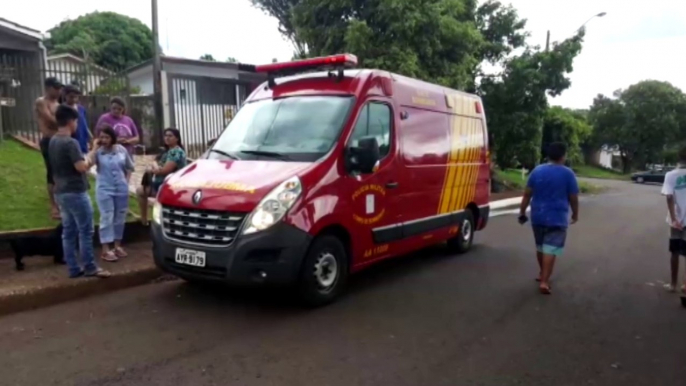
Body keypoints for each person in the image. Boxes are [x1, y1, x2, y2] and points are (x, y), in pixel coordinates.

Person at [50, 105, 111, 278]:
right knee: (85, 230)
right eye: (76, 121)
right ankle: (90, 267)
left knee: (68, 231)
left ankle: (73, 268)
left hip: (60, 191)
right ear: (71, 121)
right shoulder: (70, 142)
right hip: (75, 192)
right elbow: (82, 167)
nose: (77, 124)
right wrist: (93, 151)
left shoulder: (53, 140)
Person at [518, 142, 579, 295]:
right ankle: (545, 281)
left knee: (540, 246)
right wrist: (575, 214)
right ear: (563, 156)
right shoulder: (568, 174)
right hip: (557, 217)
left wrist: (522, 212)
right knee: (550, 249)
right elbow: (573, 197)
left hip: (538, 215)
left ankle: (541, 274)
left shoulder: (537, 171)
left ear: (548, 156)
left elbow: (527, 194)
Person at [91, 126, 135, 262]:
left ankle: (117, 245)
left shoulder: (121, 150)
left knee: (120, 216)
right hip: (105, 188)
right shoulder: (98, 152)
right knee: (107, 216)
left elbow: (129, 167)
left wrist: (125, 182)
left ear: (112, 138)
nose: (104, 140)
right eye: (102, 137)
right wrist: (94, 148)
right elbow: (88, 163)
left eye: (107, 137)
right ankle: (105, 248)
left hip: (120, 188)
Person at [137, 128, 187, 225]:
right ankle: (144, 220)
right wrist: (155, 167)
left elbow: (164, 171)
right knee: (140, 191)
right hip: (160, 185)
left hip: (170, 187)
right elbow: (154, 161)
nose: (167, 138)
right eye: (165, 135)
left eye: (170, 136)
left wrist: (153, 169)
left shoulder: (176, 152)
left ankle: (153, 221)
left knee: (142, 192)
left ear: (177, 138)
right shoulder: (166, 151)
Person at [35, 77, 63, 219]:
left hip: (60, 139)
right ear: (48, 87)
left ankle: (61, 202)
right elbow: (50, 120)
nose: (58, 91)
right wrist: (63, 124)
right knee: (52, 172)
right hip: (49, 140)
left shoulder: (58, 103)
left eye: (59, 88)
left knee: (61, 171)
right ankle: (53, 206)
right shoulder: (41, 102)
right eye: (55, 88)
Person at [661, 146, 686, 293]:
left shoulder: (671, 175)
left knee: (675, 252)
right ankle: (685, 285)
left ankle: (673, 284)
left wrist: (675, 218)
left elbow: (669, 197)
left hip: (676, 221)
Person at [62, 85, 92, 153]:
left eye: (76, 97)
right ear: (65, 96)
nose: (74, 99)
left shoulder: (81, 108)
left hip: (82, 140)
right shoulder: (62, 109)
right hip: (71, 140)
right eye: (71, 97)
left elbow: (84, 124)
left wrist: (90, 136)